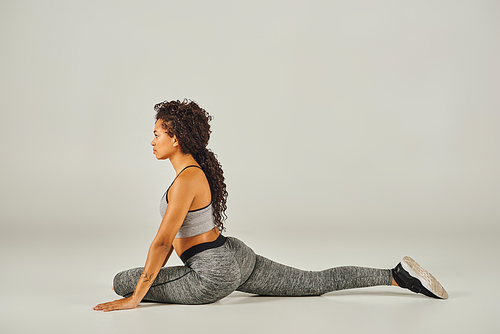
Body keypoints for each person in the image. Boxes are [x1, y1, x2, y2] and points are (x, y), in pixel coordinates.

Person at [94, 99, 448, 312]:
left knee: (119, 281)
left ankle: (396, 278)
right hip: (236, 255)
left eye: (157, 134)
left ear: (176, 138)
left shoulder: (186, 179)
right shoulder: (195, 172)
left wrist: (135, 297)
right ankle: (396, 276)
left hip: (211, 274)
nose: (152, 141)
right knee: (314, 282)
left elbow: (161, 242)